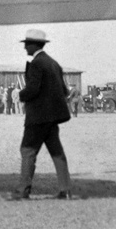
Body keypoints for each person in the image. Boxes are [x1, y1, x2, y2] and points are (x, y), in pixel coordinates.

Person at [12, 29, 73, 200]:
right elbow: (64, 90)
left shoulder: (37, 64)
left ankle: (23, 191)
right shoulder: (54, 63)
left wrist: (19, 94)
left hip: (37, 117)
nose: (25, 48)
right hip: (52, 118)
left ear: (34, 45)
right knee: (57, 152)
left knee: (27, 151)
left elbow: (32, 90)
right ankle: (65, 190)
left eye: (26, 44)